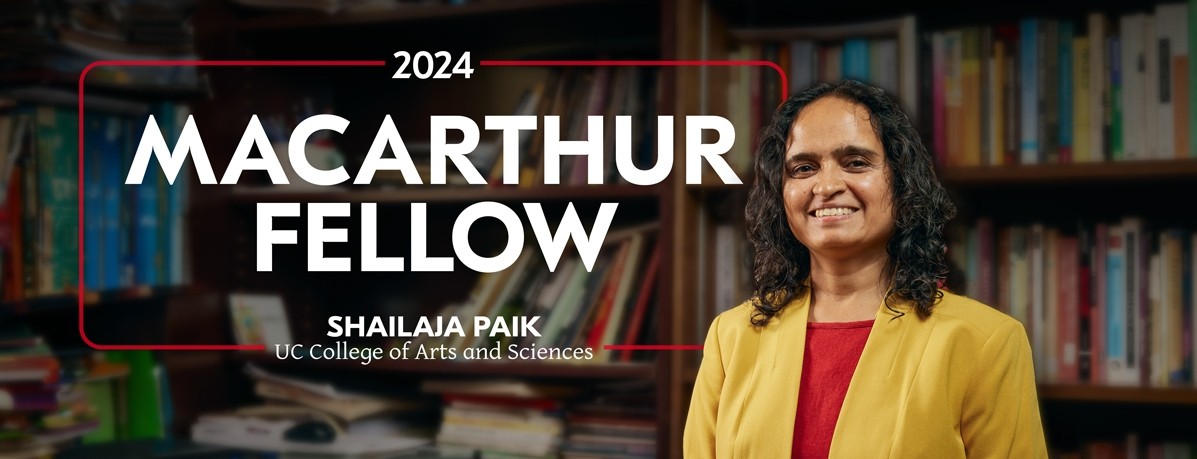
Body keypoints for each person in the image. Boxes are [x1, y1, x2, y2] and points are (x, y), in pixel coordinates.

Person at [682, 80, 1047, 458]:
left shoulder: (985, 342)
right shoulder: (731, 338)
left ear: (901, 181)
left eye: (855, 162)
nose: (826, 186)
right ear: (782, 193)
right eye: (804, 168)